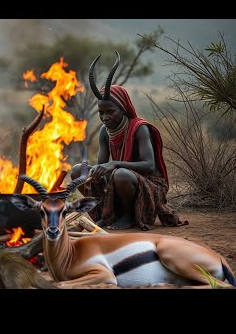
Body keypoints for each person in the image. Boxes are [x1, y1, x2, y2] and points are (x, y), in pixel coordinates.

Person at [70, 51, 188, 231]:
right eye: (101, 113)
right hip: (118, 180)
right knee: (78, 170)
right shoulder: (105, 131)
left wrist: (114, 164)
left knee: (121, 174)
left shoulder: (139, 128)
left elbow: (149, 166)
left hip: (148, 185)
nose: (105, 117)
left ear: (123, 109)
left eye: (110, 111)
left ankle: (130, 216)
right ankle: (103, 214)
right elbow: (103, 167)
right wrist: (98, 169)